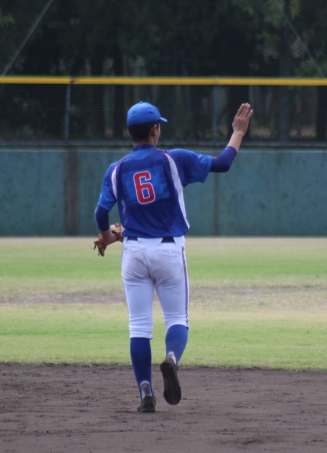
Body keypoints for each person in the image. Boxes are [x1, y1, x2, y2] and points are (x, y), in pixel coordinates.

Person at [94, 101, 253, 413]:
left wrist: (107, 236)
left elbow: (101, 212)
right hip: (168, 249)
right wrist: (237, 132)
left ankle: (145, 392)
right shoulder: (174, 159)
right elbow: (223, 163)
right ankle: (171, 358)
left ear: (130, 132)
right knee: (177, 319)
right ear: (155, 130)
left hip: (134, 252)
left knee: (138, 326)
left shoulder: (116, 169)